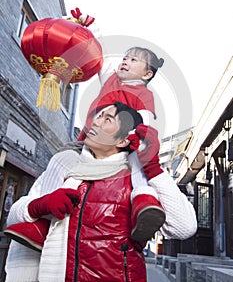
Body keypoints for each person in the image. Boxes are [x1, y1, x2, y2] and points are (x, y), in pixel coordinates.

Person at [5, 102, 197, 281]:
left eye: (107, 119)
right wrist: (37, 207)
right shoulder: (64, 166)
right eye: (98, 116)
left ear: (123, 140)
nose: (96, 121)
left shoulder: (137, 177)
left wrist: (153, 168)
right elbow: (12, 218)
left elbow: (184, 226)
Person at [5, 46, 166, 250]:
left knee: (138, 167)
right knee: (60, 160)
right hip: (88, 139)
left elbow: (146, 122)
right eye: (125, 58)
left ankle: (143, 206)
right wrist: (86, 29)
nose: (125, 61)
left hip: (125, 144)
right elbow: (100, 54)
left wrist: (141, 142)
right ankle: (43, 223)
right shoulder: (110, 79)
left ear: (147, 73)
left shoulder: (144, 95)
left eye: (134, 60)